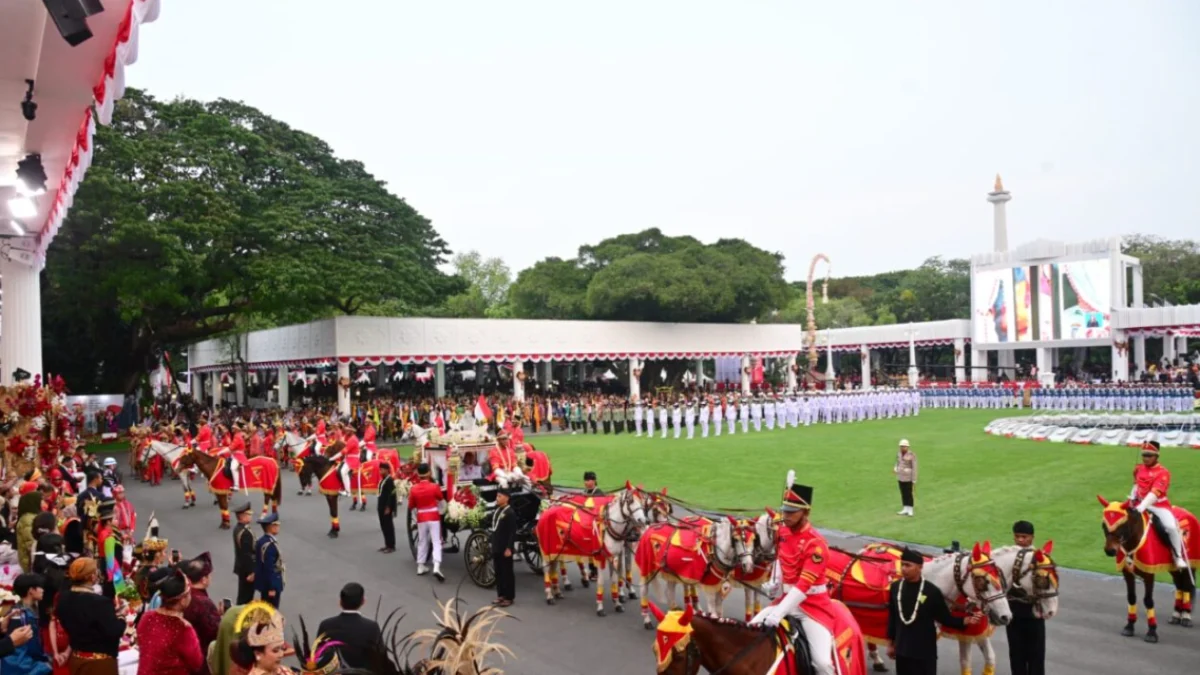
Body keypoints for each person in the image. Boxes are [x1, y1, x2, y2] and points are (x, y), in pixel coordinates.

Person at [750, 479, 835, 675]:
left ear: (805, 512)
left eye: (791, 512)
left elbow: (804, 585)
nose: (785, 515)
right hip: (785, 599)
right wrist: (775, 582)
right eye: (784, 510)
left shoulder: (816, 544)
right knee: (748, 632)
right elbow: (782, 557)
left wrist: (778, 613)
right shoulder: (783, 531)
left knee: (822, 664)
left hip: (812, 606)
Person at [886, 548, 978, 675]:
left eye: (908, 565)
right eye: (902, 564)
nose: (903, 569)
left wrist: (964, 621)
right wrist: (890, 643)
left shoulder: (932, 591)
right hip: (902, 651)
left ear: (919, 567)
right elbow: (893, 617)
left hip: (924, 652)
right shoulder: (895, 588)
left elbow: (944, 618)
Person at [55, 558, 126, 674]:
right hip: (99, 664)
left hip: (76, 659)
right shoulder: (100, 602)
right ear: (92, 576)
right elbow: (115, 631)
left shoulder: (63, 599)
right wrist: (122, 617)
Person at [1129, 441, 1188, 569]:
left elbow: (1155, 493)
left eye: (1149, 455)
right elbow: (1136, 485)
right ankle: (1128, 554)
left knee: (1171, 527)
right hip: (1139, 503)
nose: (1146, 458)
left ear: (1156, 456)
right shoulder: (1139, 469)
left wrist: (1142, 506)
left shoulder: (1163, 473)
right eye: (1144, 455)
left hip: (1158, 506)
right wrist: (1131, 498)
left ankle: (1178, 556)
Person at [136, 568, 205, 675]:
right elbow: (197, 663)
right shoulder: (184, 630)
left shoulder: (147, 617)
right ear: (182, 601)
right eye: (189, 594)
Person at [1007, 521, 1046, 675]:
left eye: (1024, 537)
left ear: (1032, 538)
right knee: (1016, 656)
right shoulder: (1009, 558)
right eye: (1017, 536)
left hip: (1034, 615)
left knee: (1036, 657)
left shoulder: (1039, 559)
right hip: (1014, 615)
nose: (1020, 540)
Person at [315, 582, 382, 670]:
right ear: (363, 601)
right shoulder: (372, 627)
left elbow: (318, 656)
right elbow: (380, 658)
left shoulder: (326, 625)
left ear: (340, 602)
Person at [1, 573, 52, 675]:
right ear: (31, 591)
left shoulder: (20, 611)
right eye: (40, 587)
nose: (43, 590)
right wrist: (44, 666)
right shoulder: (22, 616)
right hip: (25, 668)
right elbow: (24, 650)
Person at [182, 552, 223, 674]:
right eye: (209, 575)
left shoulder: (185, 594)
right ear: (204, 579)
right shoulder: (203, 602)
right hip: (199, 656)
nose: (211, 578)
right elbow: (216, 632)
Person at [228, 604, 294, 675]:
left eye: (282, 648)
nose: (281, 654)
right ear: (258, 654)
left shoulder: (283, 670)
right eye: (275, 650)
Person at [408, 464, 444, 581]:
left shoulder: (413, 488)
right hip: (433, 516)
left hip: (421, 517)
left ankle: (420, 565)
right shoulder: (434, 486)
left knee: (422, 541)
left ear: (418, 474)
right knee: (436, 541)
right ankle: (436, 566)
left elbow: (411, 506)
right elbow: (440, 499)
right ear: (429, 473)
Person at [491, 488, 516, 607]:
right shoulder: (497, 510)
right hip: (496, 546)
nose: (497, 498)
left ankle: (509, 597)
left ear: (506, 498)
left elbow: (512, 532)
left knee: (507, 573)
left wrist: (509, 548)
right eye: (497, 496)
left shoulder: (510, 513)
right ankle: (500, 595)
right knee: (498, 572)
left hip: (505, 548)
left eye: (500, 496)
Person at [254, 514, 285, 608]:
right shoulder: (269, 545)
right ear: (271, 527)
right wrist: (272, 587)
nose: (278, 527)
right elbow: (269, 567)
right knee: (272, 611)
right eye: (276, 525)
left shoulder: (262, 541)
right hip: (270, 584)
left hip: (264, 583)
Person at [232, 503, 257, 605]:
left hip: (241, 567)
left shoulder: (238, 528)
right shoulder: (245, 532)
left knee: (243, 594)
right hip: (246, 570)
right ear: (242, 516)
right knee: (246, 597)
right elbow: (247, 554)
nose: (250, 516)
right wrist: (251, 572)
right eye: (248, 514)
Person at [376, 462, 397, 554]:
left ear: (387, 470)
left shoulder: (390, 481)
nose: (380, 471)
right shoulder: (382, 480)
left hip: (386, 507)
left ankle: (391, 545)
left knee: (388, 526)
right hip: (381, 506)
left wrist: (389, 507)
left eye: (382, 469)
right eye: (380, 469)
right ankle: (387, 544)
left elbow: (391, 495)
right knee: (383, 526)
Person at [893, 439, 917, 517]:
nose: (903, 448)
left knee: (909, 493)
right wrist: (895, 468)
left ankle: (910, 509)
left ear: (907, 447)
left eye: (904, 446)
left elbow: (914, 467)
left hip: (908, 477)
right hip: (900, 477)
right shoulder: (899, 454)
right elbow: (897, 462)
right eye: (901, 446)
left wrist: (914, 479)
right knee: (903, 493)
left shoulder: (912, 455)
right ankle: (905, 508)